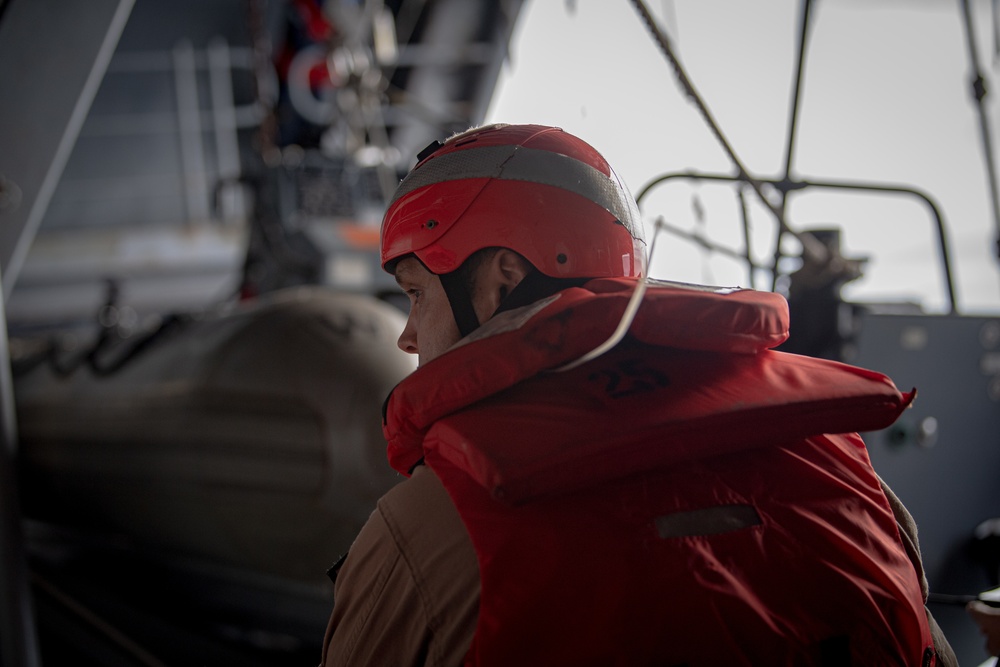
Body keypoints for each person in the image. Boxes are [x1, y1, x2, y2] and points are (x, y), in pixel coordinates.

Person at [320, 123, 957, 666]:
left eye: (416, 294)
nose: (406, 336)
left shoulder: (429, 527)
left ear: (498, 279)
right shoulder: (841, 459)